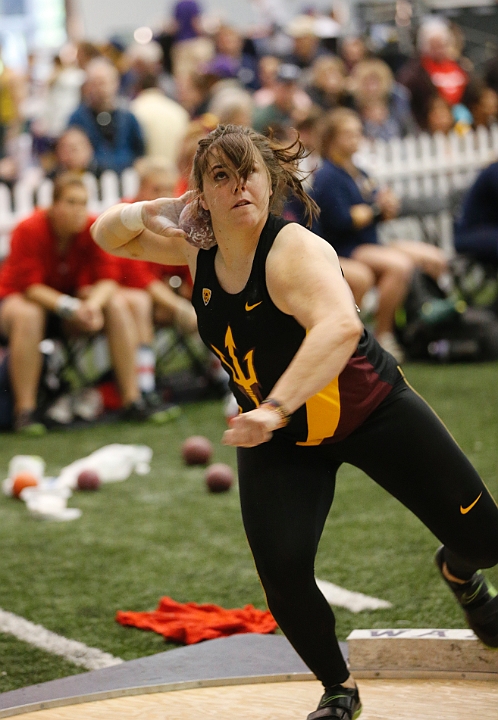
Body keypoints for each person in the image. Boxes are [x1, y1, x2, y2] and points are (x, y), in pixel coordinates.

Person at [92, 123, 498, 720]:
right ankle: (338, 690)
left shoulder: (296, 251)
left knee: (485, 541)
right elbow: (108, 237)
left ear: (271, 178)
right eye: (220, 177)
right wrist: (154, 208)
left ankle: (457, 570)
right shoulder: (196, 248)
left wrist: (275, 408)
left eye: (247, 171)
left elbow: (339, 329)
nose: (237, 187)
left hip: (368, 412)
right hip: (278, 434)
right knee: (281, 572)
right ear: (201, 192)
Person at [0, 173, 160, 433]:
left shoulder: (92, 228)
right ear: (53, 205)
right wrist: (73, 308)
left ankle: (132, 398)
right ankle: (25, 412)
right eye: (71, 203)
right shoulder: (28, 229)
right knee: (29, 314)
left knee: (116, 304)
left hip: (65, 307)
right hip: (18, 304)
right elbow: (29, 288)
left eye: (83, 203)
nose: (79, 211)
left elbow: (109, 279)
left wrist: (92, 306)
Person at [311, 108, 448, 361]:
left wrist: (386, 208)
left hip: (369, 241)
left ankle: (421, 324)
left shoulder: (359, 172)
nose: (356, 138)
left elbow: (372, 210)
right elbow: (342, 221)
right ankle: (383, 334)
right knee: (399, 266)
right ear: (332, 138)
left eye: (357, 132)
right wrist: (376, 210)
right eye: (348, 134)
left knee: (434, 258)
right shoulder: (328, 175)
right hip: (345, 247)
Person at [67, 57, 145, 174]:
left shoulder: (128, 117)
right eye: (94, 83)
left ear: (115, 83)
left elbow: (140, 152)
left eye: (103, 82)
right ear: (87, 86)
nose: (100, 89)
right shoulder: (77, 118)